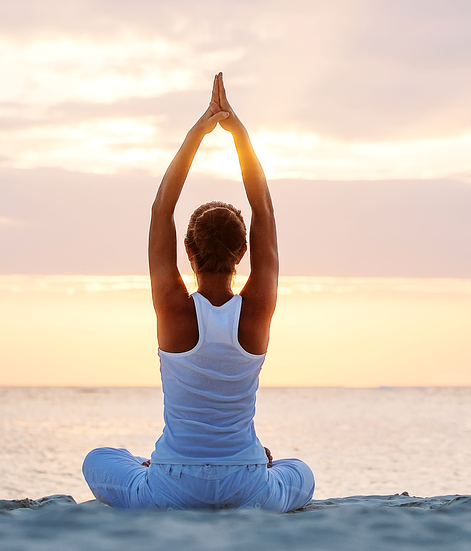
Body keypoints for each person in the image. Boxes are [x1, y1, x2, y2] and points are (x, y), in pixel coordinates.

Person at [81, 73, 314, 512]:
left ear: (187, 250)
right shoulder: (257, 310)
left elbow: (161, 208)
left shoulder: (172, 309)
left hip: (172, 485)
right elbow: (263, 206)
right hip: (247, 484)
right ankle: (253, 461)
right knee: (300, 471)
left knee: (98, 460)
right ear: (243, 252)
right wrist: (238, 134)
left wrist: (199, 132)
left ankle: (150, 466)